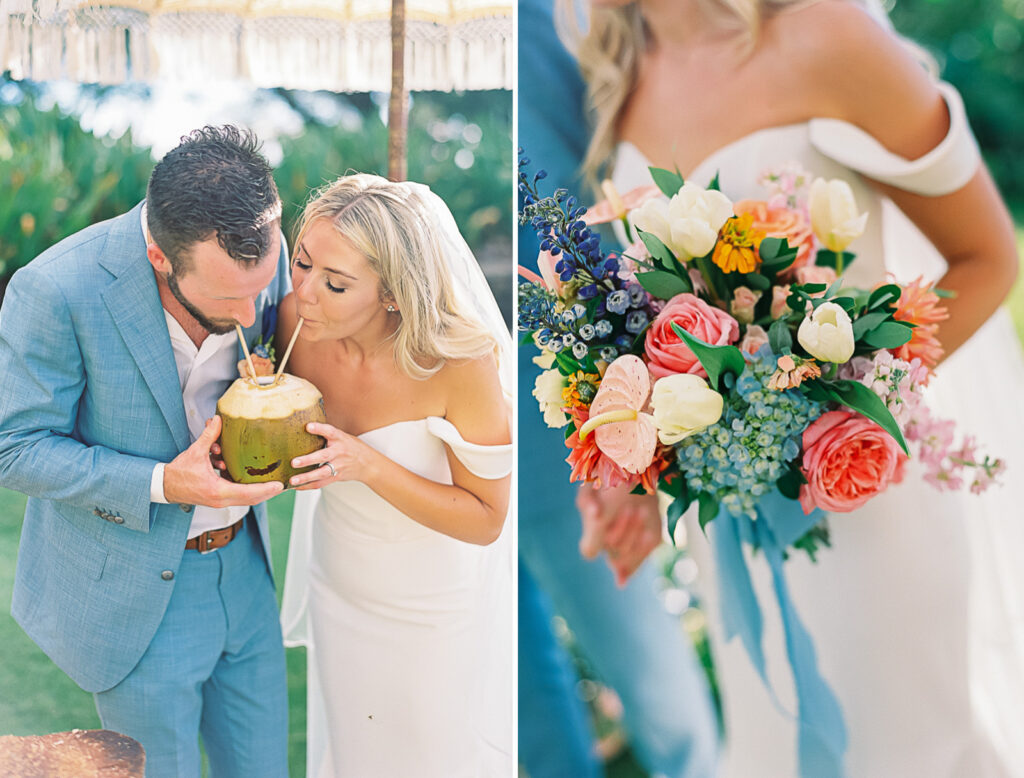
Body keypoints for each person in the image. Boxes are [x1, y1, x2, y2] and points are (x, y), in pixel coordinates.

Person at [557, 0, 1024, 775]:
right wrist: (632, 463)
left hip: (871, 503)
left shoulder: (828, 33)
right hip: (736, 528)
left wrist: (828, 412)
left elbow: (986, 257)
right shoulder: (618, 73)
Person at [0, 125, 292, 776]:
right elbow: (14, 446)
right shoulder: (54, 290)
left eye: (261, 287)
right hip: (138, 594)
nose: (252, 313)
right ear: (161, 258)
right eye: (228, 299)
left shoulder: (258, 250)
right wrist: (166, 482)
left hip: (247, 572)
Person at [517, 0, 721, 774]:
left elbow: (595, 197)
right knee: (513, 666)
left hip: (570, 399)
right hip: (451, 403)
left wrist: (621, 416)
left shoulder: (538, 22)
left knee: (640, 655)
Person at [273, 174, 513, 777]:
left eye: (336, 283)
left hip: (433, 607)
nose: (305, 293)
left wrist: (367, 465)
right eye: (301, 263)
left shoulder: (461, 362)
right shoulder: (293, 326)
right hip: (340, 583)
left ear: (394, 294)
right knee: (357, 752)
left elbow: (486, 520)